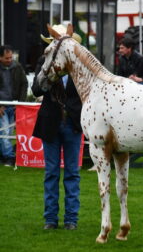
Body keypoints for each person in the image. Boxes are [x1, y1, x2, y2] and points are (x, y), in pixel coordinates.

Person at [32, 24, 83, 230]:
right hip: (51, 122)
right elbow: (36, 88)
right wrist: (51, 75)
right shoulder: (43, 61)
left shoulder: (79, 64)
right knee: (51, 173)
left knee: (72, 173)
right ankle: (50, 220)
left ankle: (71, 219)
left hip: (72, 124)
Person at [0, 45, 28, 166]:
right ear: (0, 57)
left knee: (8, 133)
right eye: (7, 58)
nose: (9, 60)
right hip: (2, 106)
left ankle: (4, 156)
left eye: (11, 57)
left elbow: (24, 84)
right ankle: (9, 157)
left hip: (14, 105)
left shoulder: (18, 66)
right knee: (5, 133)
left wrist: (20, 103)